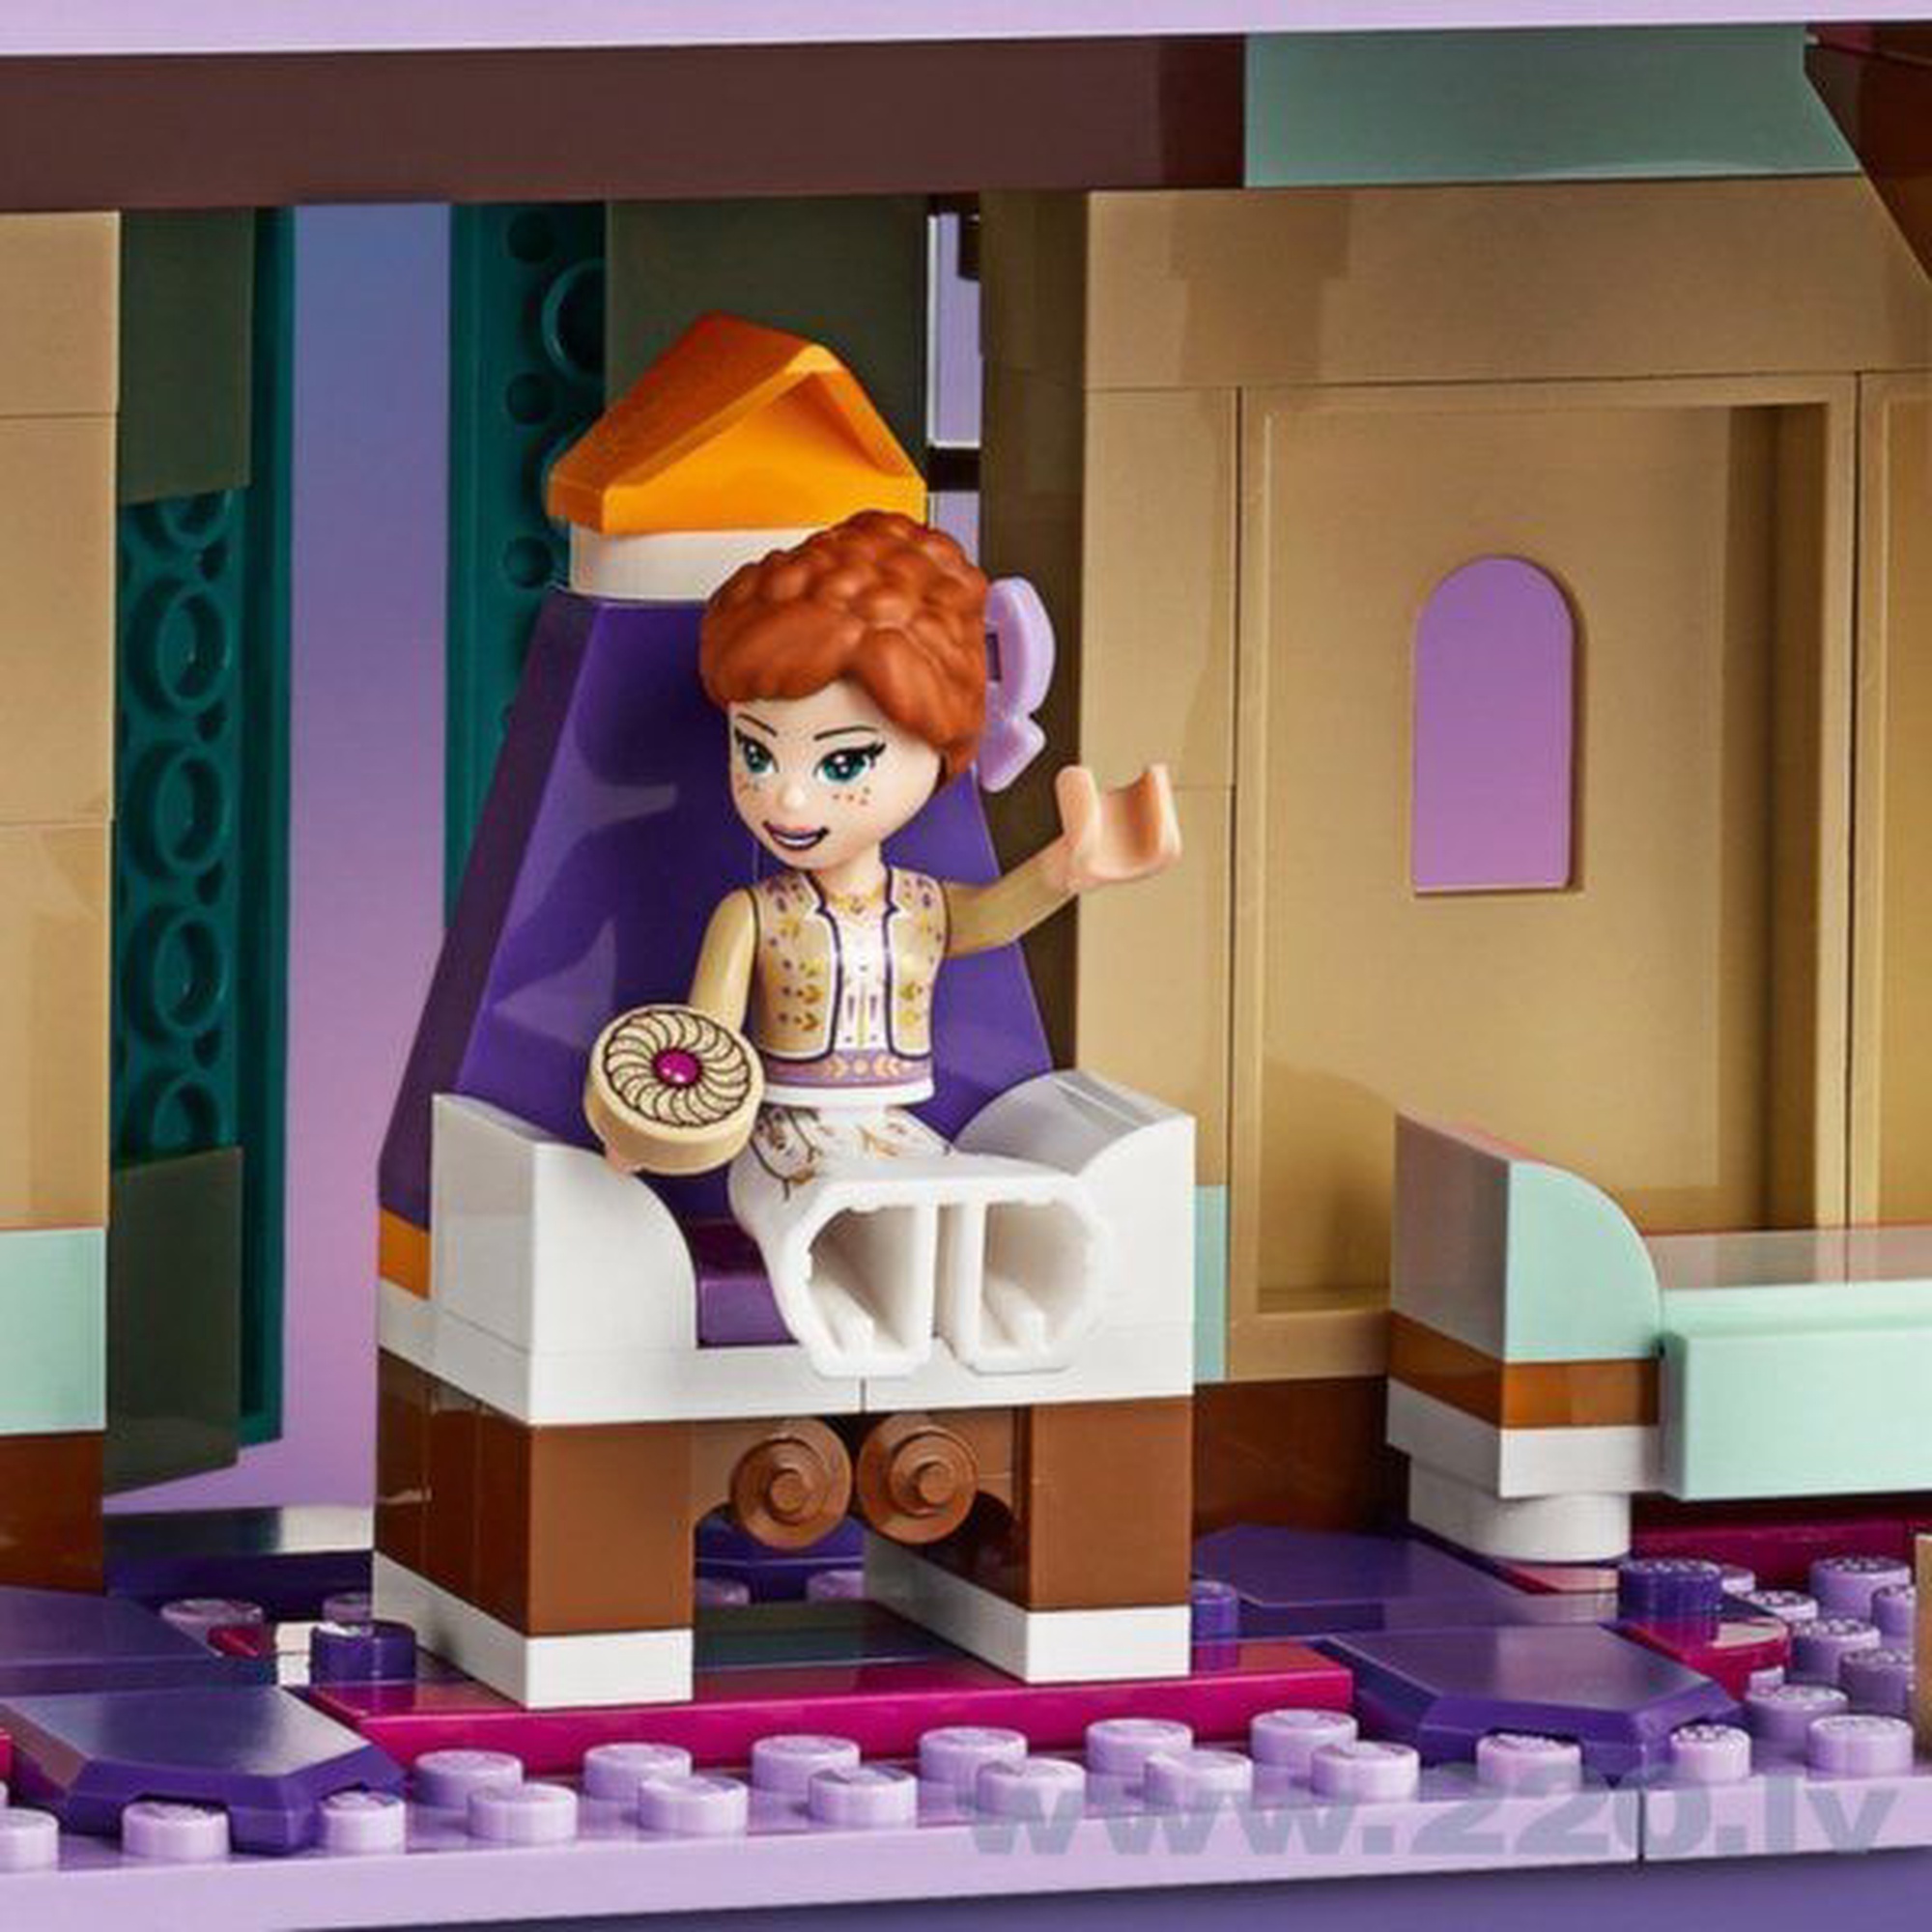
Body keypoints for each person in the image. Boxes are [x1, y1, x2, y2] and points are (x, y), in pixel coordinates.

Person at [585, 508, 1178, 1371]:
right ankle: (852, 1315)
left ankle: (998, 1316)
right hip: (785, 1142)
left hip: (899, 1134)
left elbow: (992, 915)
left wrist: (1066, 868)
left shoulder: (921, 906)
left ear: (939, 755)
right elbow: (703, 1050)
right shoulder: (753, 915)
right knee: (831, 1220)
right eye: (756, 754)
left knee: (961, 1215)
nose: (788, 800)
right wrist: (647, 1127)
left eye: (841, 764)